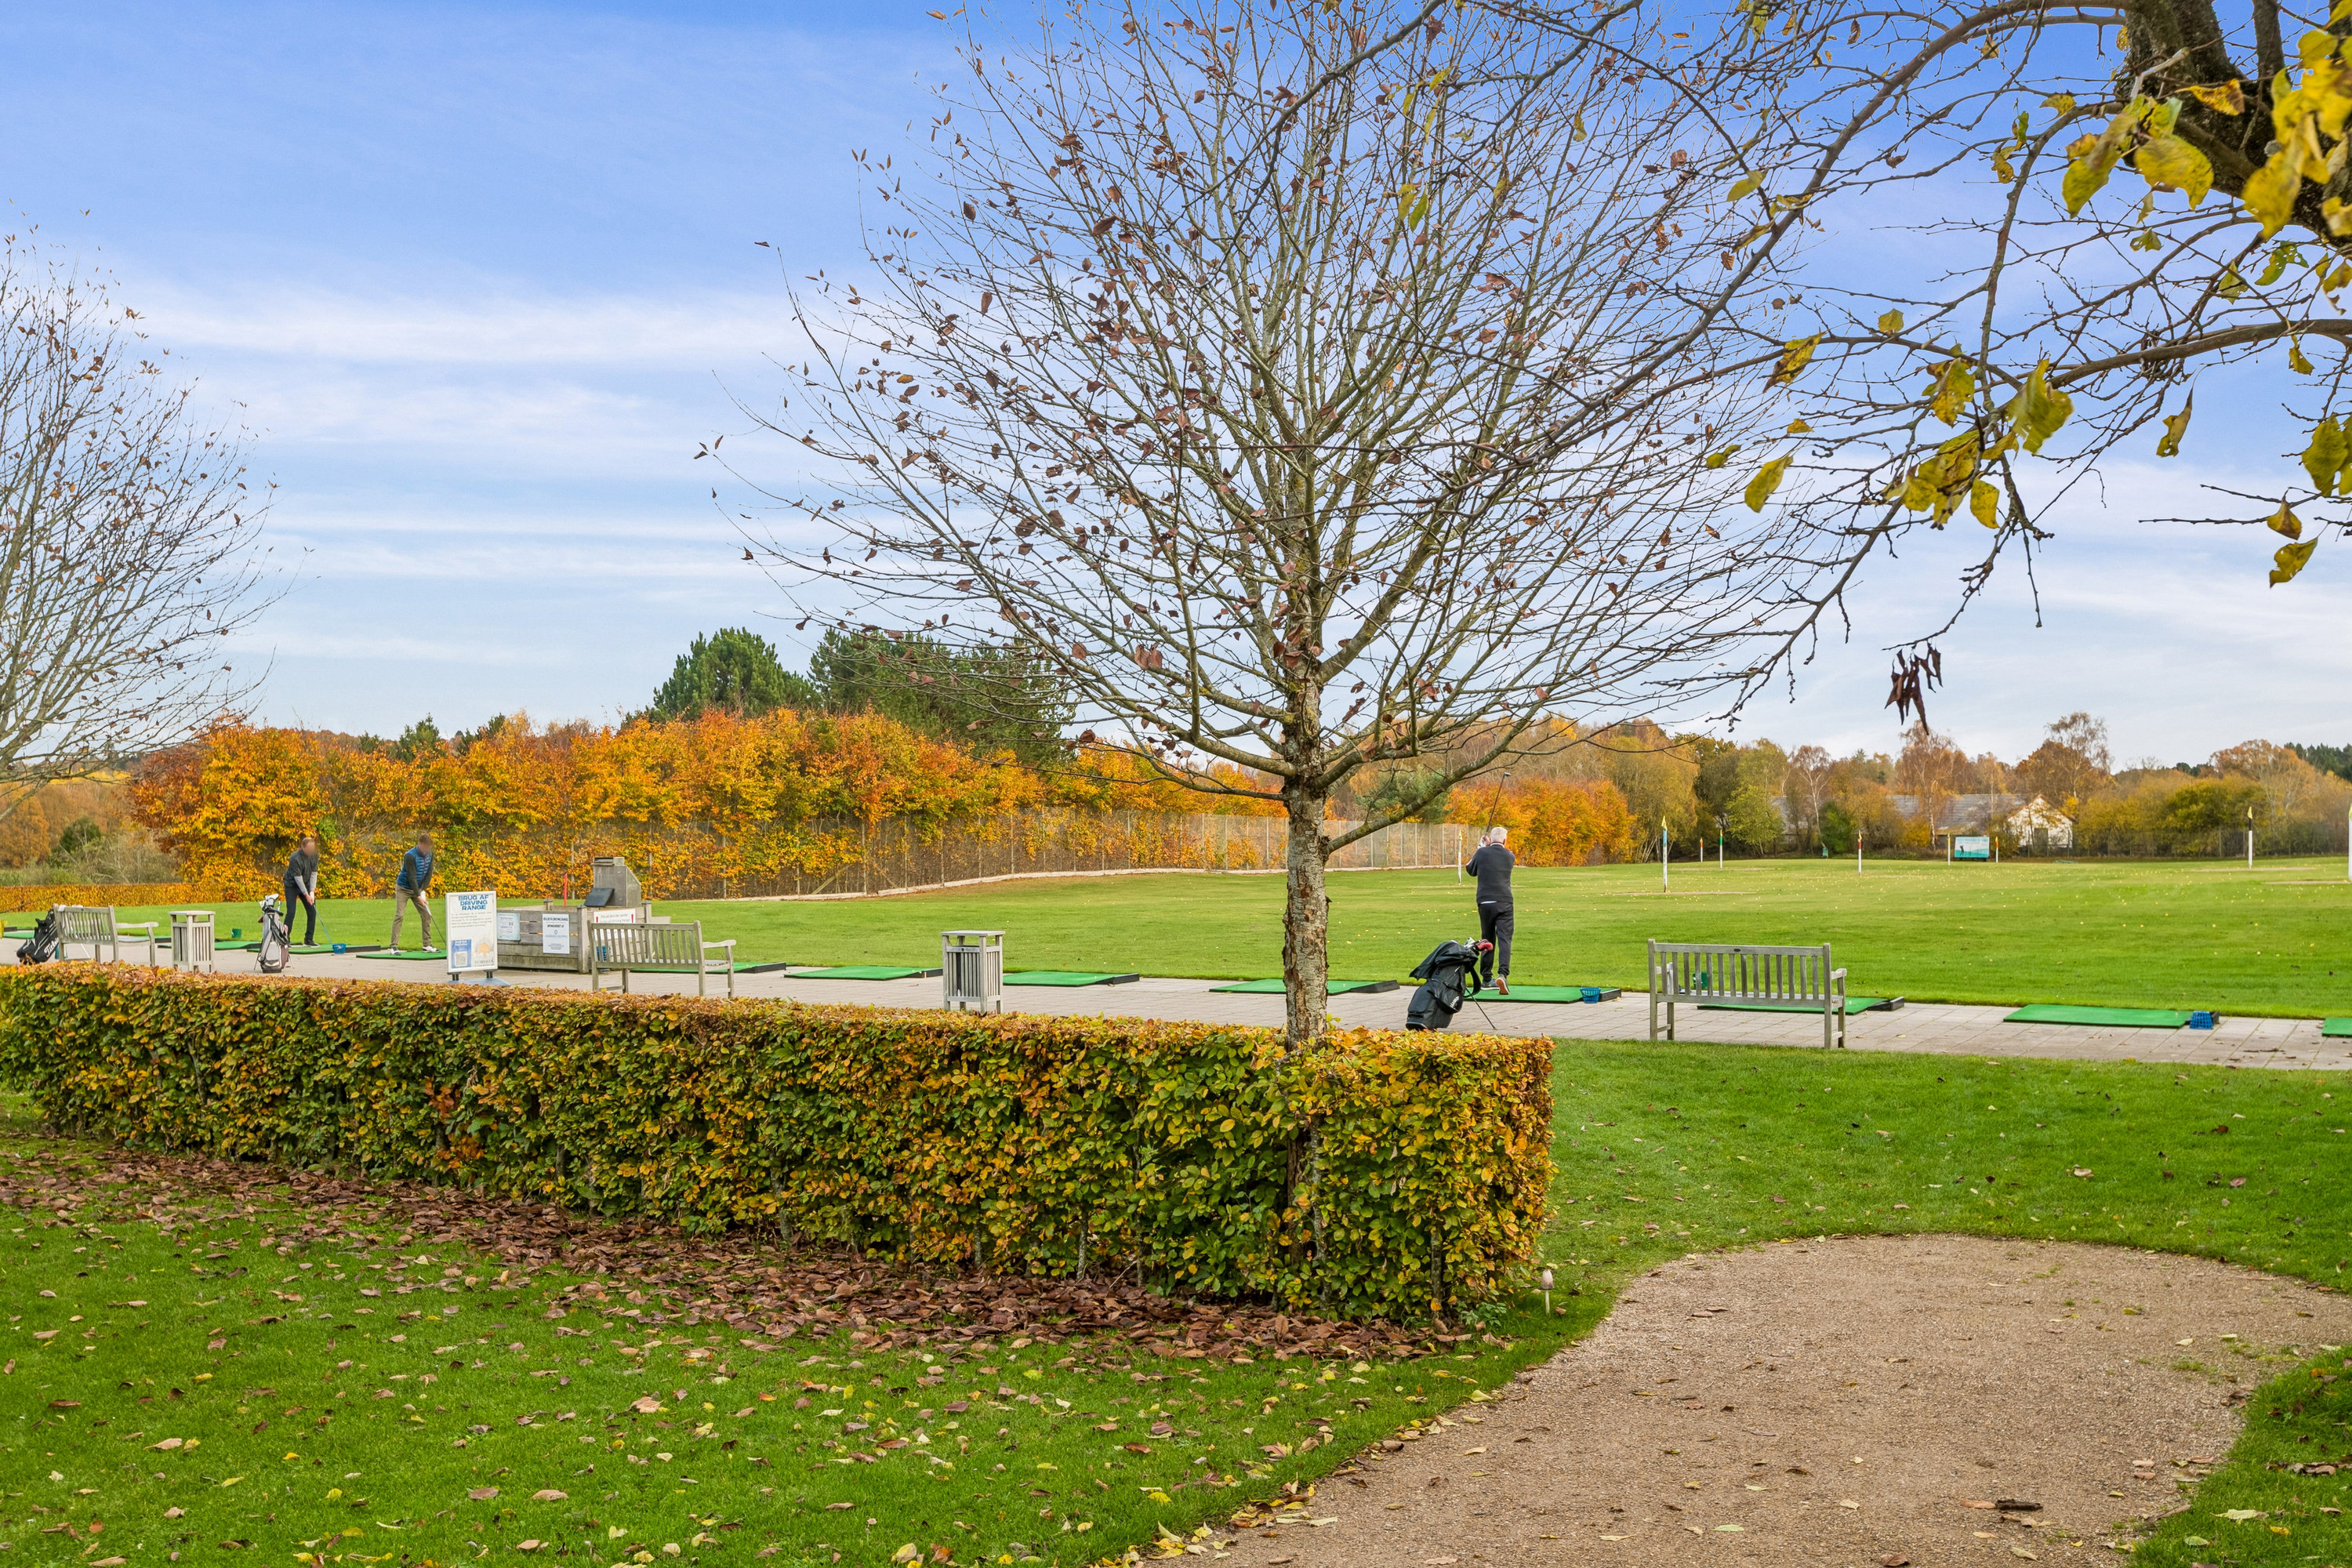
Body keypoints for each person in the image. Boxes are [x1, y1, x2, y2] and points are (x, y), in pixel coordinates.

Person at [1465, 825, 1515, 993]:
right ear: (1505, 840)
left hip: (1485, 901)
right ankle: (1503, 975)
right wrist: (1485, 848)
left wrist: (1481, 847)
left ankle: (1486, 979)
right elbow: (1495, 857)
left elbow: (1470, 869)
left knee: (1487, 939)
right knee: (1505, 939)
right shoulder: (1510, 856)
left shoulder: (1482, 853)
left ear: (1491, 839)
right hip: (1504, 901)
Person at [390, 831, 436, 951]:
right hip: (403, 888)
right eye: (425, 847)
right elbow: (412, 877)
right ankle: (393, 946)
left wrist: (423, 891)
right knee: (400, 915)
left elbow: (429, 873)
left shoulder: (430, 854)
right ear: (419, 844)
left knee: (426, 915)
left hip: (418, 889)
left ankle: (427, 944)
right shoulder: (410, 855)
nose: (426, 850)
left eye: (428, 847)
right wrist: (418, 895)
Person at [282, 833, 321, 947]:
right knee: (291, 912)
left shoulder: (314, 856)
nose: (311, 850)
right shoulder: (295, 858)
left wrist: (312, 892)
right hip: (292, 885)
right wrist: (306, 895)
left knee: (312, 911)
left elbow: (314, 873)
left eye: (313, 848)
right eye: (309, 848)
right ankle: (285, 939)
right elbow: (298, 879)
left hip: (307, 884)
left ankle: (309, 939)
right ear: (303, 847)